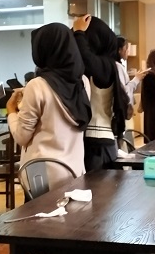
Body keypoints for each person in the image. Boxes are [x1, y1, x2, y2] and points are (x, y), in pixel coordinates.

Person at [6, 22, 91, 187]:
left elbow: (22, 137)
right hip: (75, 172)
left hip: (41, 176)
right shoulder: (83, 83)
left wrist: (11, 111)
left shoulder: (37, 85)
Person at [73, 15, 130, 172]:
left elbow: (85, 57)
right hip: (101, 142)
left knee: (97, 187)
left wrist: (79, 33)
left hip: (98, 144)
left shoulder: (104, 66)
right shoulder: (108, 65)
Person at [115, 36, 148, 108]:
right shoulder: (117, 67)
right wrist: (136, 79)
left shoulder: (119, 66)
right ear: (119, 50)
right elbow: (123, 91)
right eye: (126, 48)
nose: (128, 51)